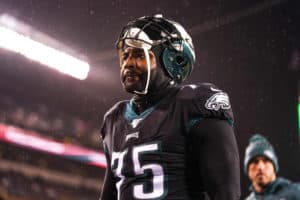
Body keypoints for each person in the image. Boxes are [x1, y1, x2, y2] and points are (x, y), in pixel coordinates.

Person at [100, 14, 240, 200]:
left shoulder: (193, 104)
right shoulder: (114, 119)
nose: (128, 63)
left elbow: (226, 193)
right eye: (125, 55)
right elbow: (109, 193)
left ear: (171, 60)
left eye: (139, 55)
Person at [244, 134, 300, 200]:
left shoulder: (296, 192)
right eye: (255, 162)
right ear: (248, 170)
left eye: (266, 161)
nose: (260, 167)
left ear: (274, 166)